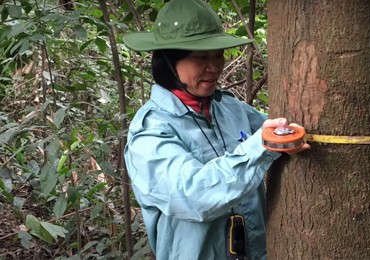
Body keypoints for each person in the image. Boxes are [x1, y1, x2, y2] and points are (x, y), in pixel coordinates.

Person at [123, 0, 310, 259]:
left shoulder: (231, 109)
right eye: (200, 58)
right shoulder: (152, 131)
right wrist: (260, 147)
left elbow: (279, 131)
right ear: (168, 61)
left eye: (218, 55)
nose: (214, 67)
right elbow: (191, 196)